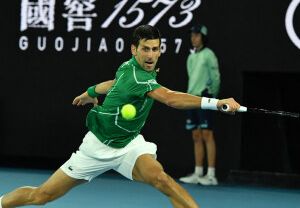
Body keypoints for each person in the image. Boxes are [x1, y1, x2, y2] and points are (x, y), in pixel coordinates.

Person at [0, 25, 240, 208]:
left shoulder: (128, 68)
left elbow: (113, 84)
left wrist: (91, 91)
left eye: (155, 49)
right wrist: (216, 103)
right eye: (145, 49)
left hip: (129, 145)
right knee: (42, 195)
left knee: (162, 180)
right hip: (97, 147)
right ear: (134, 49)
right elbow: (169, 98)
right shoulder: (138, 76)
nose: (150, 55)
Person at [179, 25, 220, 186]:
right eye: (192, 35)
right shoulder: (191, 57)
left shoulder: (209, 55)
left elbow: (216, 77)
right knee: (196, 136)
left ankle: (211, 175)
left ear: (203, 37)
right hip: (192, 98)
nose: (193, 38)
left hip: (206, 97)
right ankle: (198, 173)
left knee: (207, 135)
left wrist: (212, 97)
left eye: (196, 35)